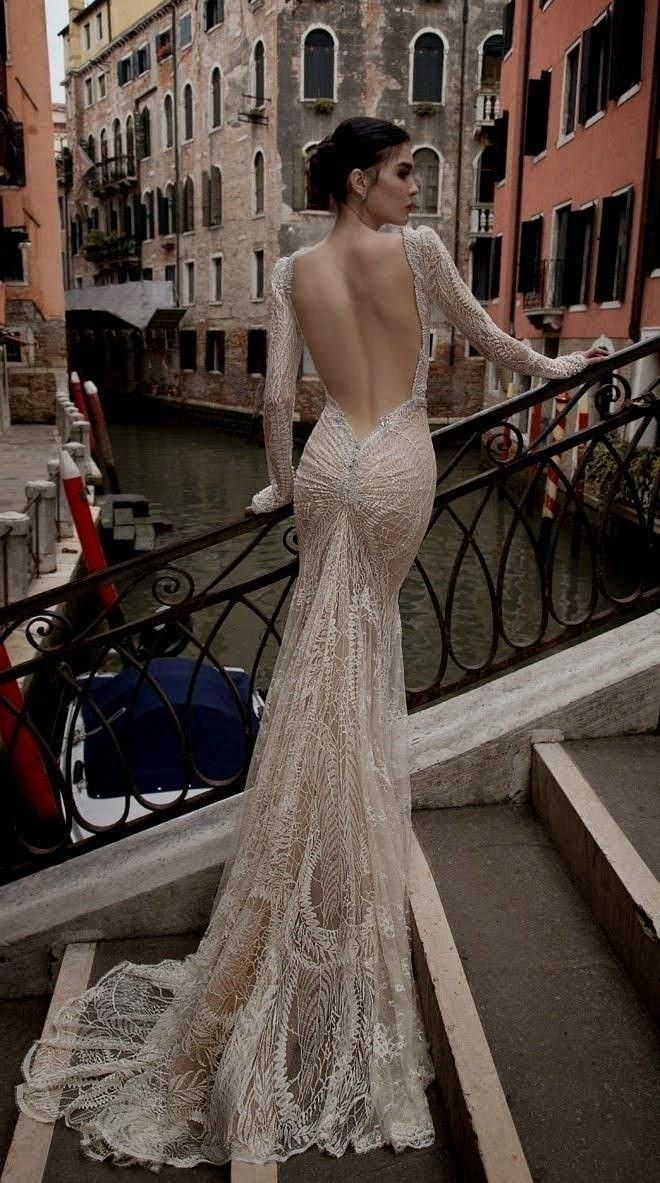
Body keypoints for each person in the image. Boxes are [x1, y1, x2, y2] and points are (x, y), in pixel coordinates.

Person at [15, 117, 607, 1171]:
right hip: (398, 467)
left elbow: (279, 401)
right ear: (354, 182)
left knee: (322, 668)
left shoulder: (291, 270)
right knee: (362, 656)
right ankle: (337, 875)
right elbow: (484, 338)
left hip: (334, 468)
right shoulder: (421, 257)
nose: (414, 190)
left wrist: (283, 491)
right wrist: (562, 363)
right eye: (400, 172)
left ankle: (310, 867)